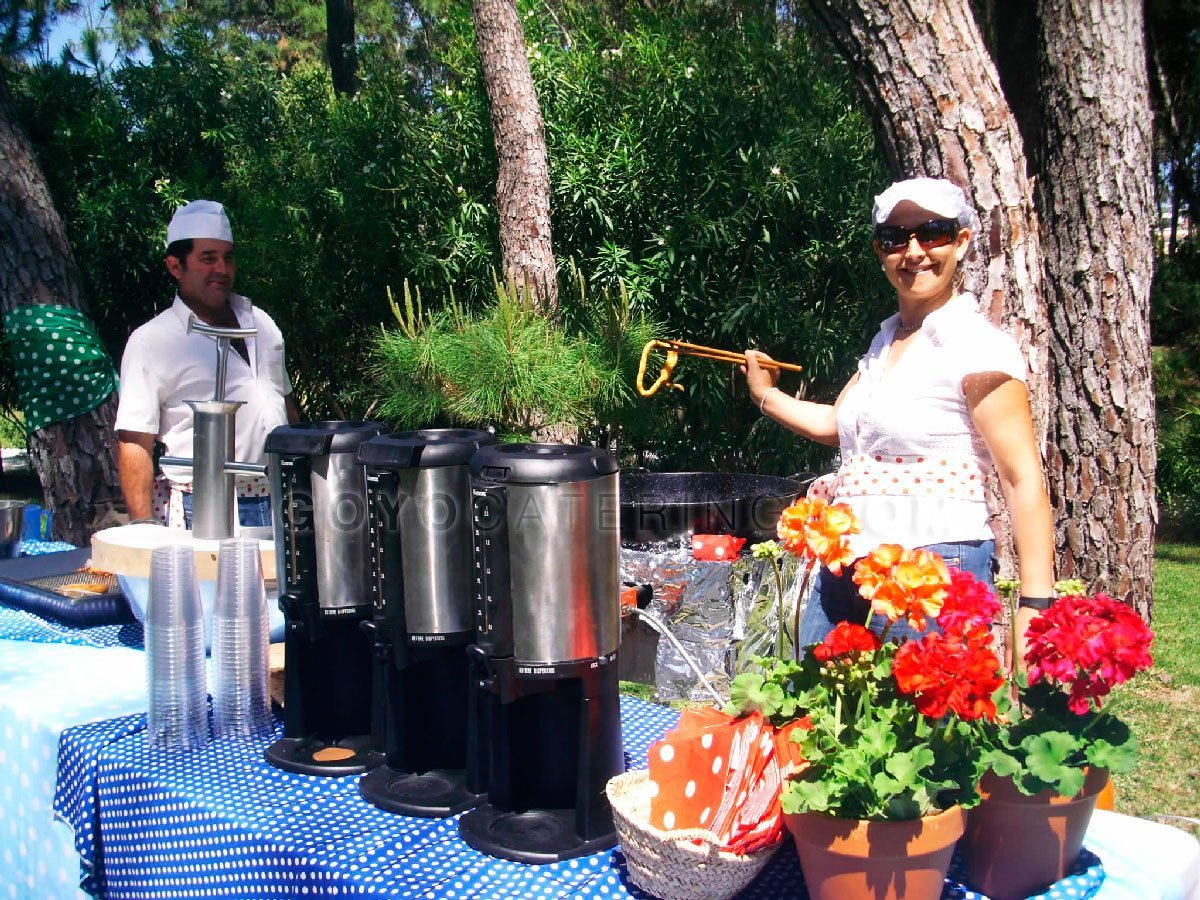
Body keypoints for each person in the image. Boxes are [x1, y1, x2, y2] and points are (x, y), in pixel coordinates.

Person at [741, 177, 1055, 658]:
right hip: (848, 559)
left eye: (932, 233)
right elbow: (838, 424)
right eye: (896, 238)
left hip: (935, 561)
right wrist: (766, 396)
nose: (914, 251)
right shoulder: (885, 341)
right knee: (823, 717)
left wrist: (1036, 600)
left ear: (962, 241)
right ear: (879, 250)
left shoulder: (978, 345)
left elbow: (1020, 477)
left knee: (922, 725)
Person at [115, 200, 300, 529]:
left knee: (279, 583)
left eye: (228, 258)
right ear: (175, 266)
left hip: (278, 495)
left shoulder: (261, 324)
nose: (222, 270)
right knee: (211, 582)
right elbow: (135, 440)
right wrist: (142, 526)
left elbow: (284, 405)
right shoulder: (152, 341)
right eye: (208, 259)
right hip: (201, 504)